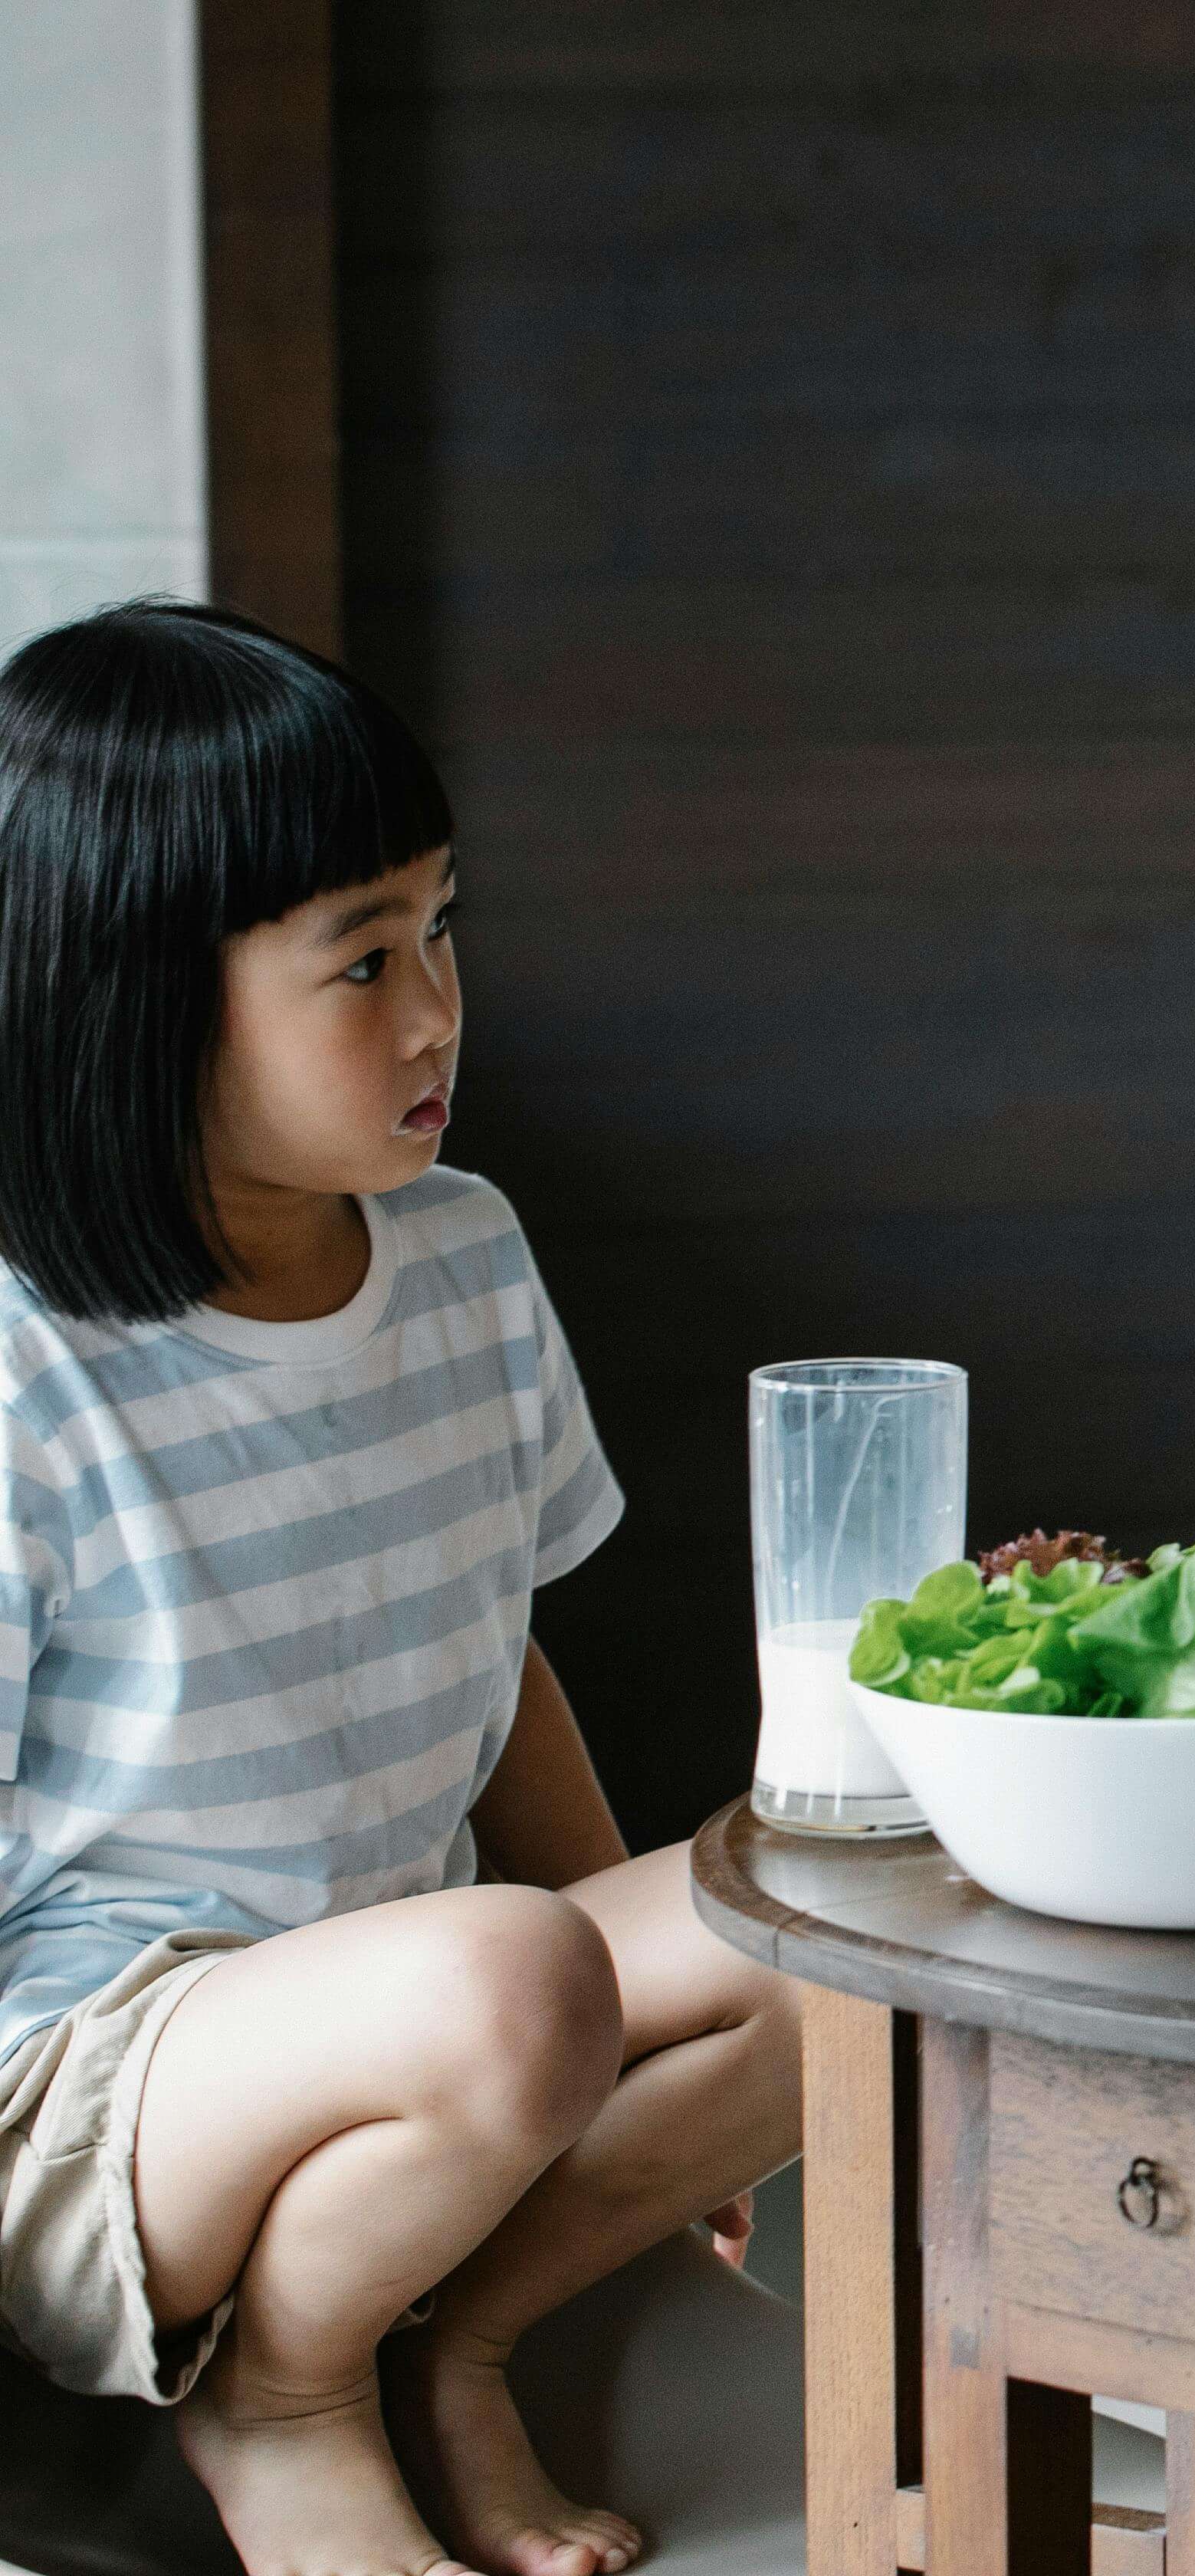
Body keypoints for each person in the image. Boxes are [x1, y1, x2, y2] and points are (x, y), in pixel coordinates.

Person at [0, 606, 802, 2576]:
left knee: (860, 1909)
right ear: (131, 1004)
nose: (438, 1011)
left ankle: (472, 2339)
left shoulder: (461, 1252)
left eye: (442, 929)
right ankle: (285, 2400)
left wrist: (634, 2004)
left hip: (430, 2004)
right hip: (108, 2081)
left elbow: (491, 1636)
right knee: (513, 1971)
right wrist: (553, 1995)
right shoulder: (27, 1356)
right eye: (360, 961)